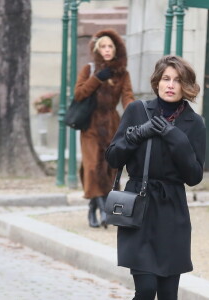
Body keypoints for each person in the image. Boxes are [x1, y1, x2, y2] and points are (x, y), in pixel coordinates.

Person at [105, 55, 206, 299]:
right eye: (166, 79)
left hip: (173, 210)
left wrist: (176, 138)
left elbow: (194, 176)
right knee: (146, 289)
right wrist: (137, 134)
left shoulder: (194, 123)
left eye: (177, 80)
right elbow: (113, 158)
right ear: (157, 83)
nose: (170, 85)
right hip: (140, 207)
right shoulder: (137, 110)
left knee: (169, 293)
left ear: (186, 86)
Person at [74, 29, 134, 228]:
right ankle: (102, 208)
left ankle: (93, 208)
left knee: (110, 168)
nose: (107, 50)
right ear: (97, 49)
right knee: (92, 167)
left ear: (116, 49)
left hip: (112, 124)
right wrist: (97, 78)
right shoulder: (89, 69)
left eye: (110, 46)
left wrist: (134, 112)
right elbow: (79, 94)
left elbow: (127, 96)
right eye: (103, 46)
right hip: (91, 124)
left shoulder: (123, 74)